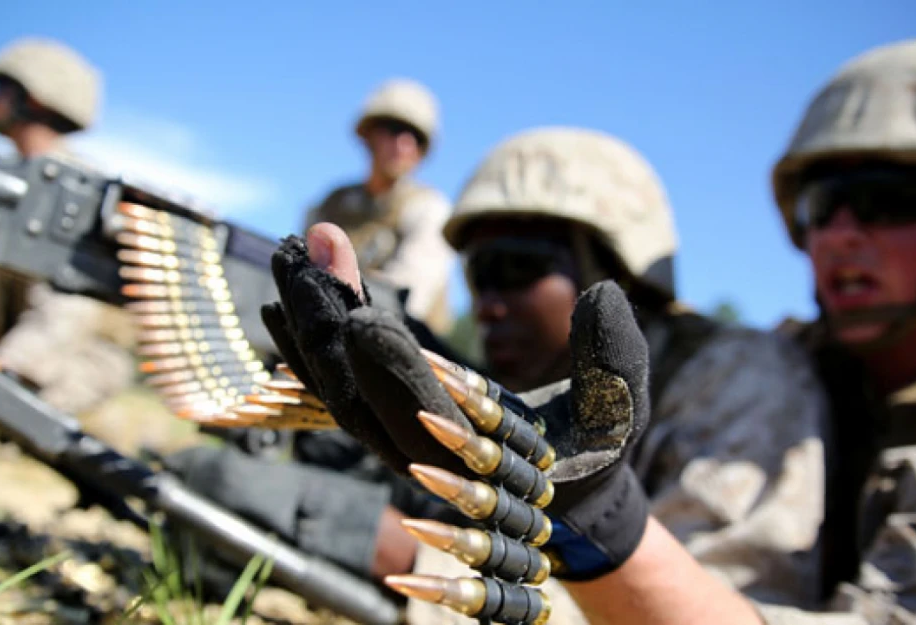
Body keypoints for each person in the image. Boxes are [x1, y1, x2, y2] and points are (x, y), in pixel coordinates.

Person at [350, 36, 916, 625]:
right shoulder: (818, 365)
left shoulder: (754, 378)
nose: (840, 233)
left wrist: (389, 543)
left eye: (886, 199)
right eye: (822, 205)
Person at [260, 126, 831, 623]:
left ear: (609, 273)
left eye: (516, 267)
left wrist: (399, 554)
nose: (487, 305)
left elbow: (713, 609)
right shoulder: (516, 388)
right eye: (479, 275)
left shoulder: (737, 377)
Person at [0, 37, 136, 417]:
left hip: (51, 360)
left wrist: (6, 369)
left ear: (31, 99)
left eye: (0, 89)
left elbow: (70, 301)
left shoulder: (83, 192)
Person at [303, 78, 455, 336]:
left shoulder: (428, 208)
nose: (403, 146)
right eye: (394, 129)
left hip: (402, 349)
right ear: (370, 134)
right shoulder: (331, 205)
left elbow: (406, 301)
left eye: (415, 138)